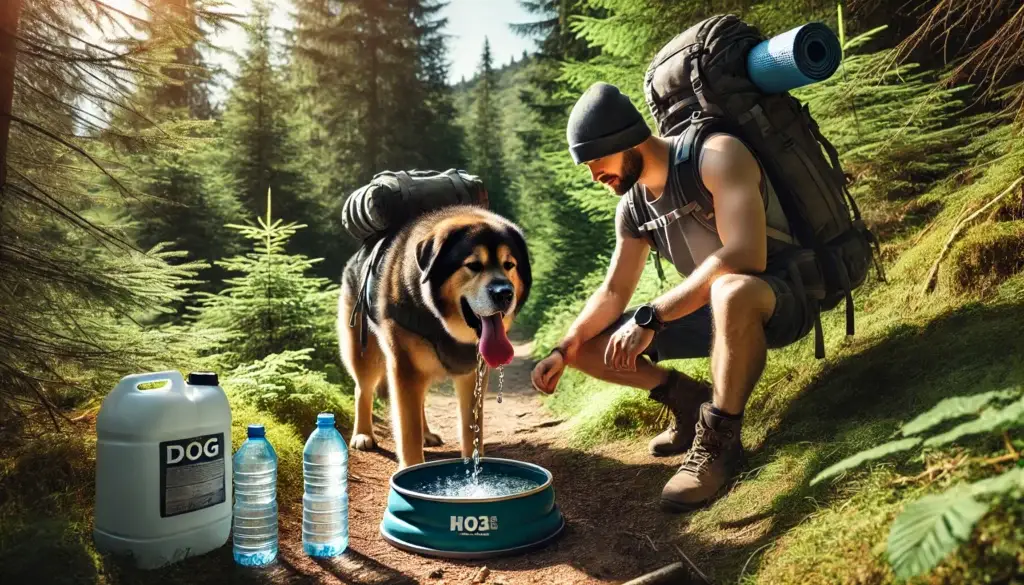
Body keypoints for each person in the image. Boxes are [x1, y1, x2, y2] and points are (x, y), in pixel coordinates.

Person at [531, 82, 817, 512]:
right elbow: (613, 291)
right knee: (588, 347)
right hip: (715, 312)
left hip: (781, 296)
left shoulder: (717, 155)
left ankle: (720, 441)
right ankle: (688, 401)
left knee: (730, 288)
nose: (594, 175)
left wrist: (653, 317)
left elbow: (746, 255)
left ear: (623, 140)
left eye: (596, 161)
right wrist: (562, 348)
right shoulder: (634, 207)